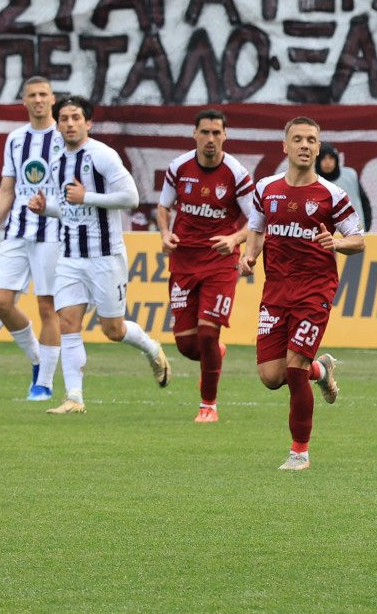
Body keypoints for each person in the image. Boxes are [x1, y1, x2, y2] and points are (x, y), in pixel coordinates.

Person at [224, 117, 365, 471]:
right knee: (271, 377)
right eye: (298, 139)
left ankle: (299, 452)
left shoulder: (333, 195)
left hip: (314, 290)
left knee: (294, 366)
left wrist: (337, 242)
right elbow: (256, 229)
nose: (305, 145)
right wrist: (250, 255)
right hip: (276, 291)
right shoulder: (267, 189)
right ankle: (322, 370)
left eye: (311, 140)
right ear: (284, 147)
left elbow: (358, 241)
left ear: (319, 148)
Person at [29, 97, 172, 414]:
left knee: (113, 330)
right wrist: (46, 208)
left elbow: (131, 198)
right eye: (64, 118)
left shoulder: (102, 155)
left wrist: (86, 196)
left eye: (76, 117)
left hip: (105, 257)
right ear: (58, 124)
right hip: (70, 257)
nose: (69, 123)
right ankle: (74, 398)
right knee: (68, 322)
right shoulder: (56, 163)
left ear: (88, 123)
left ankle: (151, 348)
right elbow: (69, 209)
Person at [154, 109, 257, 423]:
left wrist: (234, 239)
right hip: (184, 262)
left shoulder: (236, 174)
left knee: (209, 334)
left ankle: (208, 405)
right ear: (194, 134)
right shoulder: (178, 168)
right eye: (205, 132)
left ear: (225, 135)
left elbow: (255, 221)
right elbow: (163, 206)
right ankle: (215, 354)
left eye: (216, 133)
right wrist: (165, 232)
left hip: (219, 263)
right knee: (187, 344)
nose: (210, 139)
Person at [0, 75, 62, 401]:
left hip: (53, 233)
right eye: (32, 95)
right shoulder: (16, 140)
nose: (38, 100)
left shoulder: (64, 137)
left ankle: (44, 384)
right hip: (17, 232)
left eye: (43, 94)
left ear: (52, 98)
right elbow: (7, 190)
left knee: (47, 308)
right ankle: (37, 359)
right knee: (0, 302)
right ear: (24, 101)